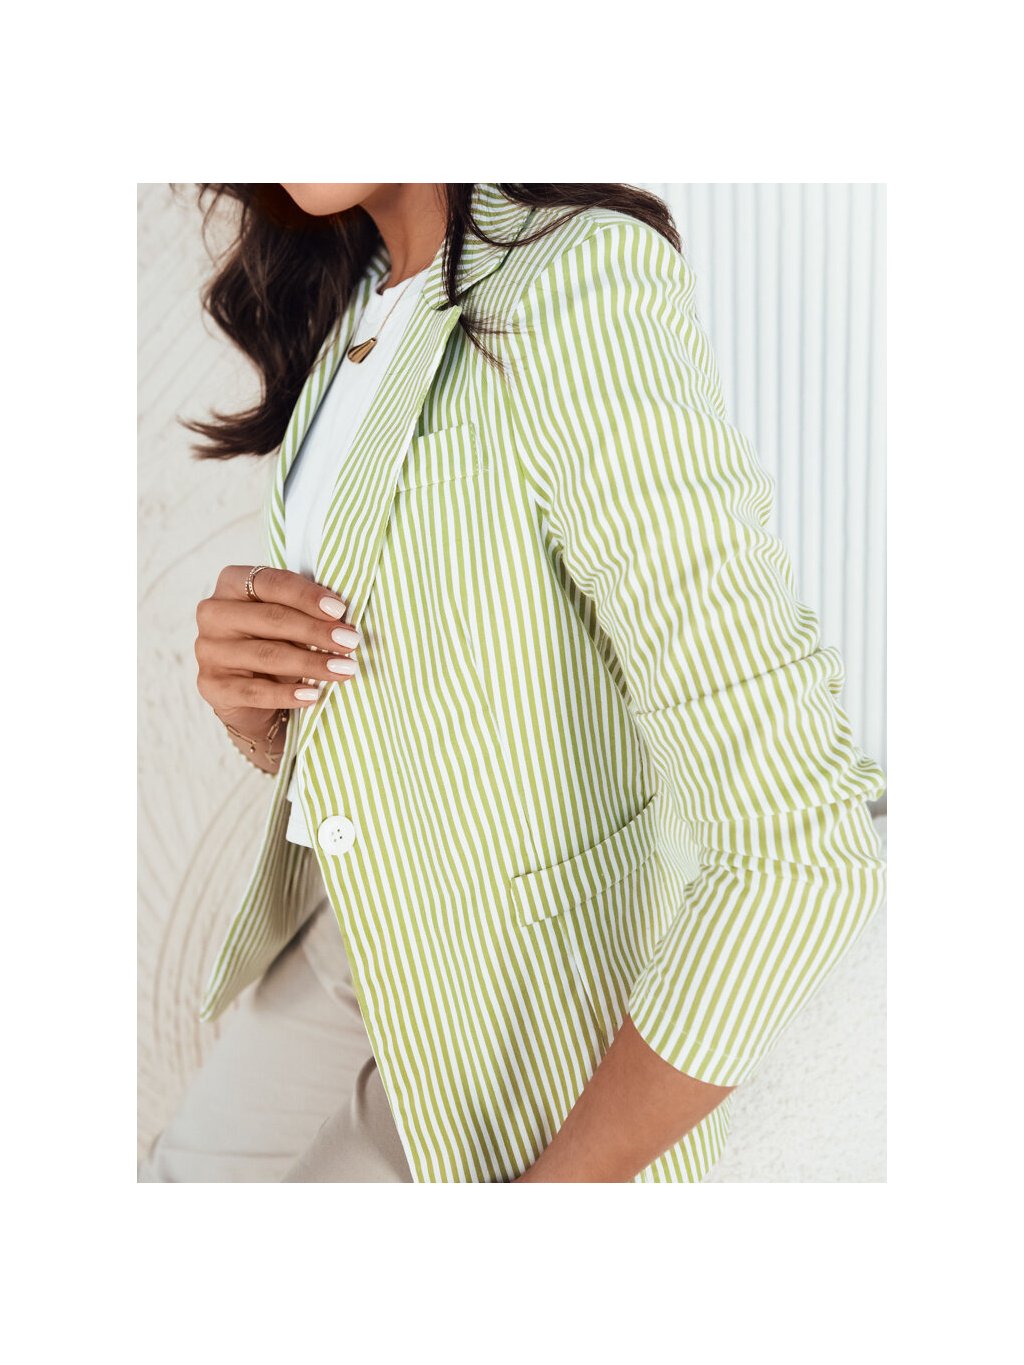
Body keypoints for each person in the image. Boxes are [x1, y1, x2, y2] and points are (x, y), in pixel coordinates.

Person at [138, 182, 887, 1183]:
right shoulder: (358, 303)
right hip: (353, 928)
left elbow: (802, 842)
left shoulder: (576, 282)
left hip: (516, 994)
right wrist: (257, 718)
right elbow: (446, 703)